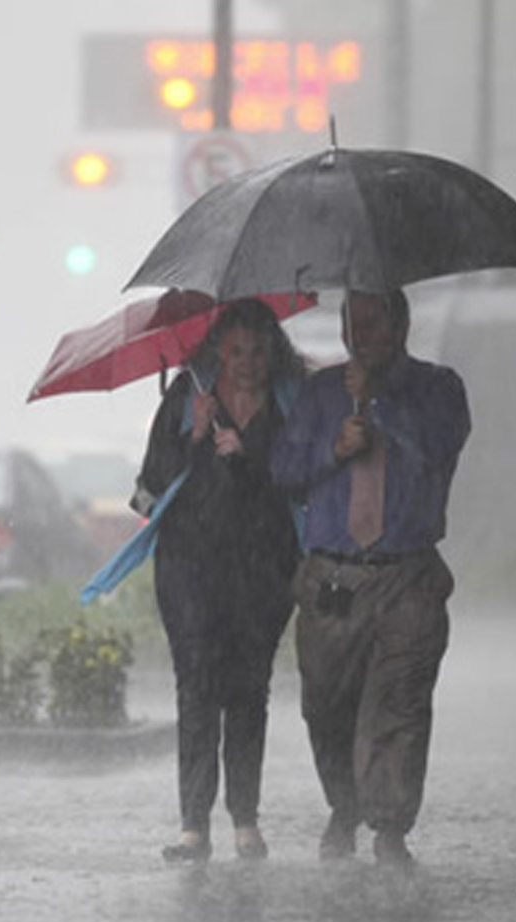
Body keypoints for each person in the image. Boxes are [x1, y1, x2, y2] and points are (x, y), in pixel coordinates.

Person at [270, 288, 470, 872]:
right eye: (352, 325)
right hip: (332, 576)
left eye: (374, 324)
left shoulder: (439, 388)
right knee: (327, 706)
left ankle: (389, 827)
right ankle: (345, 806)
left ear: (401, 326)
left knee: (400, 705)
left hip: (406, 576)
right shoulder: (318, 394)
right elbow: (284, 470)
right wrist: (334, 449)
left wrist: (380, 406)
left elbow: (438, 449)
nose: (363, 337)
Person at [135, 298, 305, 862]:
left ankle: (245, 821)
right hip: (190, 570)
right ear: (218, 351)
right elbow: (147, 492)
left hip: (263, 572)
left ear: (272, 353)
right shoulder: (187, 400)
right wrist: (194, 437)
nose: (247, 363)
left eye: (258, 351)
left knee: (249, 691)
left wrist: (251, 453)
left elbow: (306, 477)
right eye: (235, 351)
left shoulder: (291, 406)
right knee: (197, 688)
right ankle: (193, 826)